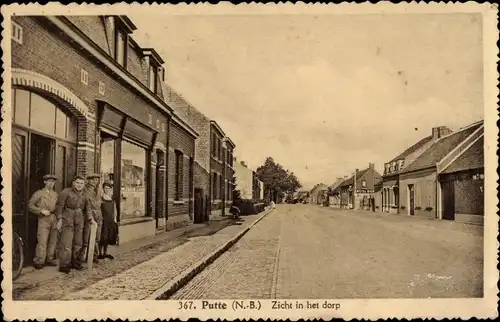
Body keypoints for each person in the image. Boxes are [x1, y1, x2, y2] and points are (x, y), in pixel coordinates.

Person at [55, 175, 93, 273]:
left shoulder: (85, 194)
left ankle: (75, 262)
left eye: (81, 183)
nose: (79, 185)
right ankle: (64, 264)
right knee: (66, 242)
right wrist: (59, 219)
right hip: (68, 217)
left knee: (78, 242)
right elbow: (59, 206)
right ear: (73, 183)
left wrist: (90, 218)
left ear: (84, 184)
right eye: (77, 183)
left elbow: (88, 208)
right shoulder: (66, 192)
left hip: (80, 218)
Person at [28, 174, 59, 269]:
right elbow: (30, 205)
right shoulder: (39, 193)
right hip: (43, 219)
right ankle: (39, 261)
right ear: (45, 182)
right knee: (42, 240)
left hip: (54, 218)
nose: (51, 183)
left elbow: (59, 206)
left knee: (53, 241)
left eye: (53, 181)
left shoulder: (55, 194)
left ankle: (49, 259)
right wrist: (40, 211)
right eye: (49, 181)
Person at [79, 173, 103, 264]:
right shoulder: (85, 190)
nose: (94, 181)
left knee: (97, 237)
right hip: (89, 214)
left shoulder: (98, 190)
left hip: (98, 214)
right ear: (88, 180)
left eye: (96, 180)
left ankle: (94, 256)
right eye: (92, 179)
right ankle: (83, 257)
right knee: (87, 237)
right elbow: (85, 204)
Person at [99, 181, 117, 260]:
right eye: (105, 188)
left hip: (110, 220)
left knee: (108, 237)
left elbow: (114, 209)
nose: (107, 190)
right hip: (103, 220)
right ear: (103, 189)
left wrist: (115, 219)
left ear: (111, 189)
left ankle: (105, 252)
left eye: (108, 188)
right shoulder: (101, 198)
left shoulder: (112, 198)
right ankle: (100, 253)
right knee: (102, 237)